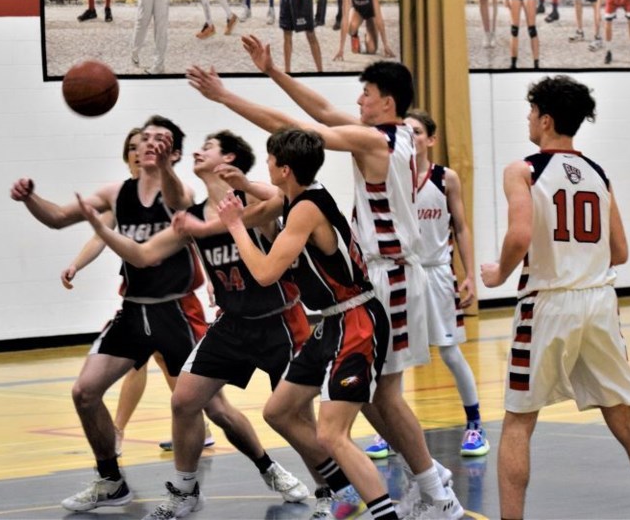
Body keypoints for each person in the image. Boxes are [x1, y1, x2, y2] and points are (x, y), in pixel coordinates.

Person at [186, 48, 463, 519]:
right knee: (373, 395)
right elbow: (318, 114)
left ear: (388, 102)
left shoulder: (382, 141)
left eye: (367, 94)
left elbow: (298, 130)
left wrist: (226, 95)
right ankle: (426, 479)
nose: (359, 100)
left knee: (382, 396)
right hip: (376, 273)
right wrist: (274, 72)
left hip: (385, 276)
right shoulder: (381, 137)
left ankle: (434, 488)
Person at [479, 75, 630, 520]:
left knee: (518, 422)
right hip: (598, 303)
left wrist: (497, 274)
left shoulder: (524, 169)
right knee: (626, 420)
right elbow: (622, 252)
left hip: (549, 304)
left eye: (531, 113)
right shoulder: (597, 173)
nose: (528, 120)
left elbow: (518, 234)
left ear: (547, 119)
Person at [76, 130, 311, 519]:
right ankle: (185, 492)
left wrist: (239, 187)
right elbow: (142, 253)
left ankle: (329, 487)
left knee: (299, 419)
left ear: (230, 159)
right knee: (185, 400)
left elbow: (278, 199)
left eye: (209, 147)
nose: (199, 152)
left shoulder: (252, 198)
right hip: (232, 323)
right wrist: (102, 230)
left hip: (280, 321)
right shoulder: (196, 214)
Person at [11, 116, 214, 512]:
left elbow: (179, 202)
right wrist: (30, 198)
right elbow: (57, 218)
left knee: (214, 408)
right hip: (135, 311)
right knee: (84, 392)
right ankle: (109, 479)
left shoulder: (180, 189)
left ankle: (266, 465)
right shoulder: (116, 193)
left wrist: (167, 168)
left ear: (173, 153)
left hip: (176, 311)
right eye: (144, 139)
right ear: (134, 150)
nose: (149, 145)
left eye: (160, 141)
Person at [216, 128, 399, 519]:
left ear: (284, 169)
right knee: (278, 410)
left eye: (269, 161)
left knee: (332, 433)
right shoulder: (298, 198)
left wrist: (235, 225)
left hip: (356, 319)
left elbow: (265, 272)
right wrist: (243, 183)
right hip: (332, 322)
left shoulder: (306, 208)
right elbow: (271, 201)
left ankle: (384, 512)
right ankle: (345, 491)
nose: (266, 165)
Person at [59, 127, 213, 456]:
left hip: (176, 301)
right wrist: (76, 264)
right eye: (132, 146)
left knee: (189, 379)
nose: (137, 151)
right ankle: (118, 431)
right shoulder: (123, 197)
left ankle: (202, 422)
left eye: (142, 144)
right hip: (140, 301)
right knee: (140, 366)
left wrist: (212, 280)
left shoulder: (172, 192)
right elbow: (100, 235)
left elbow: (194, 233)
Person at [404, 110, 486, 457]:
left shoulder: (446, 178)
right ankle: (389, 430)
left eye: (417, 131)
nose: (411, 137)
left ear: (431, 139)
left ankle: (475, 424)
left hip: (438, 273)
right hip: (403, 273)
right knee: (395, 360)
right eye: (405, 132)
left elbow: (462, 228)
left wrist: (469, 274)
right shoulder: (390, 177)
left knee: (451, 353)